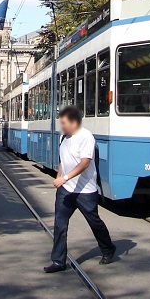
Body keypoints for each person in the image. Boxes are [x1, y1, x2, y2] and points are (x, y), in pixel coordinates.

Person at [45, 106, 115, 274]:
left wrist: (65, 177)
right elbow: (64, 160)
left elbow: (84, 163)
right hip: (66, 190)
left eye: (64, 123)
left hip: (85, 190)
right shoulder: (63, 137)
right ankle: (58, 261)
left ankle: (108, 248)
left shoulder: (86, 137)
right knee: (60, 225)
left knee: (94, 222)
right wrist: (59, 176)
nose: (62, 126)